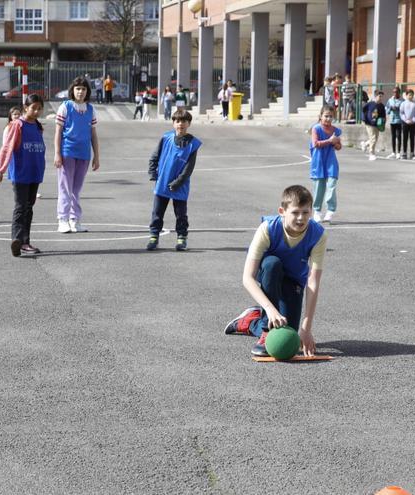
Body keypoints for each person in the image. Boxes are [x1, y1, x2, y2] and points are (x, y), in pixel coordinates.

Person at [223, 185, 327, 358]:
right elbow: (247, 278)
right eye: (295, 212)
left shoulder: (318, 235)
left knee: (288, 335)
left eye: (306, 212)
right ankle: (264, 328)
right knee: (273, 264)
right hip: (269, 273)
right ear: (282, 211)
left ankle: (248, 321)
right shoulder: (267, 228)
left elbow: (313, 281)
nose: (301, 218)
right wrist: (270, 310)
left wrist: (306, 328)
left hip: (293, 281)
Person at [0, 94, 46, 257]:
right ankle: (17, 240)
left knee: (29, 208)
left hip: (34, 172)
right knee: (20, 207)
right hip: (21, 173)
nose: (37, 111)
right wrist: (0, 169)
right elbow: (7, 147)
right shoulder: (18, 125)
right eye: (33, 108)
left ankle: (25, 241)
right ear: (26, 108)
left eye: (39, 108)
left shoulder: (38, 126)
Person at [146, 109, 200, 252]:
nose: (180, 124)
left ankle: (182, 238)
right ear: (173, 123)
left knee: (181, 214)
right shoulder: (166, 138)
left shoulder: (192, 144)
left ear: (189, 123)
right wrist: (152, 172)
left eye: (183, 121)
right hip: (163, 182)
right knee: (157, 212)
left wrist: (178, 182)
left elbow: (189, 168)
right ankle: (154, 236)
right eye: (177, 121)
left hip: (180, 185)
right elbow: (154, 156)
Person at [54, 77, 100, 233]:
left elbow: (93, 134)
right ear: (72, 90)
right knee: (65, 187)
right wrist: (57, 154)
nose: (81, 91)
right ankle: (62, 219)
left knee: (76, 189)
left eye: (84, 89)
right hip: (68, 152)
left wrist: (96, 156)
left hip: (84, 154)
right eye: (78, 88)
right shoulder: (65, 107)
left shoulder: (91, 109)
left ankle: (75, 220)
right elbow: (58, 132)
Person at [309, 106, 342, 224]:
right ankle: (317, 211)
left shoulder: (335, 131)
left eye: (330, 116)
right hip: (318, 161)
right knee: (319, 187)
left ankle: (330, 210)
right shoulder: (316, 129)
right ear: (321, 116)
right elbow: (316, 144)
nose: (328, 119)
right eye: (326, 116)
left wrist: (336, 142)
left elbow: (339, 147)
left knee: (332, 184)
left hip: (331, 161)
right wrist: (329, 141)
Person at [361, 90, 385, 161]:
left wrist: (383, 123)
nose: (381, 98)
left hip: (377, 124)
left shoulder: (381, 106)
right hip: (369, 124)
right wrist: (363, 119)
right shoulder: (370, 104)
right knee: (373, 138)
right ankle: (371, 154)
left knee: (375, 139)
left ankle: (365, 144)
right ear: (375, 96)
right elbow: (363, 111)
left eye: (382, 97)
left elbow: (383, 115)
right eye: (379, 96)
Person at [400, 89, 415, 160]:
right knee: (405, 138)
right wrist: (406, 120)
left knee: (412, 138)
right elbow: (401, 113)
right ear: (406, 95)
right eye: (409, 95)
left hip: (413, 123)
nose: (410, 96)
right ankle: (404, 153)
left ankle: (412, 153)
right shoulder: (403, 103)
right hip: (405, 123)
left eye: (412, 95)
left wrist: (413, 120)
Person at [385, 87, 404, 159]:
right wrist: (390, 108)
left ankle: (398, 152)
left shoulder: (402, 101)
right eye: (394, 92)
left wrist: (398, 109)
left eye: (396, 92)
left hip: (399, 120)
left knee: (399, 136)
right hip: (392, 120)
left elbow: (404, 110)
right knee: (393, 136)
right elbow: (386, 109)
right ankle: (393, 152)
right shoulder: (390, 100)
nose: (395, 93)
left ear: (399, 92)